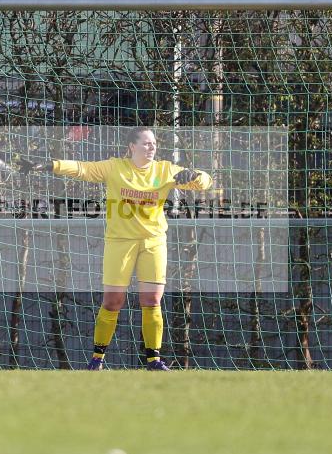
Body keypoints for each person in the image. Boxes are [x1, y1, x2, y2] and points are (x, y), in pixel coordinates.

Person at [18, 126, 212, 370]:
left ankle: (154, 359)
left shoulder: (165, 170)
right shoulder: (115, 167)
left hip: (153, 242)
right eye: (146, 143)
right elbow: (83, 169)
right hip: (119, 243)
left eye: (153, 143)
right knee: (112, 301)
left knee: (152, 300)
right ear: (131, 146)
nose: (151, 147)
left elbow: (205, 182)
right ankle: (97, 358)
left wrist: (194, 175)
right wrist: (50, 165)